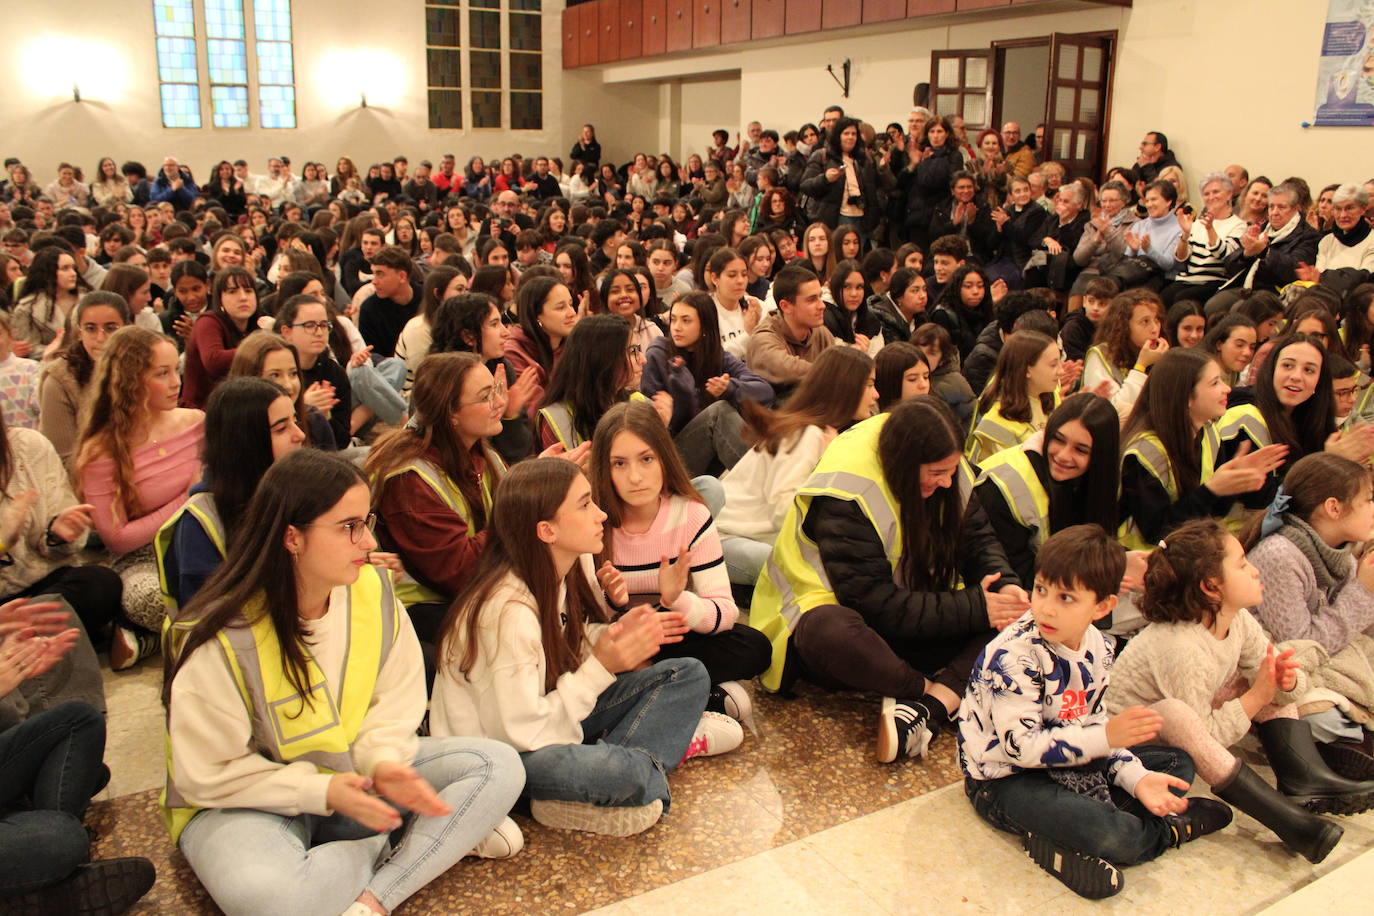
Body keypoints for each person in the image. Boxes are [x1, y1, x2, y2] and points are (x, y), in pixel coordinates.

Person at [162, 449, 525, 916]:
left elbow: (396, 702)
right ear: (292, 537)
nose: (369, 540)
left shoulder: (370, 590)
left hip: (352, 772)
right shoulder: (216, 634)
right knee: (272, 902)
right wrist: (324, 793)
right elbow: (207, 773)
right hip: (244, 799)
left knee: (496, 765)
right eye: (349, 526)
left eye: (366, 520)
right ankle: (395, 842)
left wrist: (385, 762)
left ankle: (376, 897)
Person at [429, 458, 725, 837]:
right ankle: (641, 767)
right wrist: (602, 665)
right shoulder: (506, 611)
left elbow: (559, 651)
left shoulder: (558, 573)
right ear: (547, 530)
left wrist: (612, 635)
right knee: (624, 773)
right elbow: (522, 732)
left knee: (688, 673)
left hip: (550, 718)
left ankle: (609, 781)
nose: (601, 514)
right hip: (506, 753)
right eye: (585, 504)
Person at [960, 524, 1231, 900]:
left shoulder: (1098, 649)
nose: (1045, 607)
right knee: (1111, 833)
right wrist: (1106, 740)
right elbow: (1021, 749)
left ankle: (1059, 840)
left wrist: (1137, 778)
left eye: (1066, 597)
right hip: (1006, 780)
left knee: (1175, 765)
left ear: (1102, 606)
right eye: (1040, 589)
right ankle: (1165, 831)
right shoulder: (1014, 655)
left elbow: (1095, 726)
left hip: (1072, 764)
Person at [750, 397, 1028, 763]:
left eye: (951, 471)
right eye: (936, 474)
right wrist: (977, 607)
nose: (948, 483)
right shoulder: (848, 489)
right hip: (847, 623)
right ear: (904, 464)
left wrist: (1005, 587)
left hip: (913, 610)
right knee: (829, 631)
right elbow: (872, 602)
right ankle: (928, 690)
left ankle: (930, 708)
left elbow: (977, 538)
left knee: (1017, 616)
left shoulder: (942, 457)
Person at [1109, 518, 1358, 864]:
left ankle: (1304, 779)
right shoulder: (1178, 645)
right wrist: (1258, 694)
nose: (1254, 570)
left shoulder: (1237, 619)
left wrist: (1285, 683)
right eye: (1242, 564)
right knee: (1177, 711)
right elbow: (1202, 736)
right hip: (1132, 755)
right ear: (1212, 587)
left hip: (1183, 734)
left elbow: (1275, 681)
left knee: (1261, 673)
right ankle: (1290, 823)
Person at [590, 401, 770, 719]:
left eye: (646, 459)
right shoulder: (594, 519)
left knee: (753, 646)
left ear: (663, 457)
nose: (635, 476)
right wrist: (614, 603)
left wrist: (678, 601)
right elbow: (578, 624)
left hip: (671, 638)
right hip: (615, 642)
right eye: (619, 463)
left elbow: (725, 611)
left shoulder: (690, 514)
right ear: (605, 469)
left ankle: (651, 687)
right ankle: (686, 691)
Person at [365, 352, 517, 658]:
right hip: (420, 613)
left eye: (498, 389)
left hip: (476, 594)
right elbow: (460, 572)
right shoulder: (409, 479)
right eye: (486, 396)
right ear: (451, 414)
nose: (500, 402)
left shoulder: (483, 454)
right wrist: (521, 505)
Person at [75, 327, 203, 669]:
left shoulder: (195, 423)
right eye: (162, 374)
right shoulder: (100, 451)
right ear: (130, 382)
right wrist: (188, 496)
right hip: (141, 558)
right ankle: (152, 631)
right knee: (155, 599)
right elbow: (117, 539)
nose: (176, 381)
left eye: (175, 369)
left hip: (201, 537)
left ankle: (146, 639)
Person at [1246, 453, 1374, 775]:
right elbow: (1301, 644)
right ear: (1333, 507)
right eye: (1369, 500)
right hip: (1277, 673)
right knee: (1321, 715)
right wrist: (1363, 591)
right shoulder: (1279, 555)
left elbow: (1355, 632)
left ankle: (1352, 741)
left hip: (1324, 661)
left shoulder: (1339, 554)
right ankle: (1344, 747)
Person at [717, 346, 878, 585]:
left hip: (758, 538)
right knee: (816, 575)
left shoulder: (823, 432)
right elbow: (783, 511)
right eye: (868, 385)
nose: (875, 394)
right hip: (728, 538)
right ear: (845, 387)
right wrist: (829, 465)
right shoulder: (807, 434)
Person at [155, 377, 306, 611]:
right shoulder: (200, 524)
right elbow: (205, 619)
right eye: (281, 428)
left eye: (295, 421)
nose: (300, 435)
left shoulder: (298, 490)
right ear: (245, 442)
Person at [1119, 349, 1287, 551]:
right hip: (1137, 562)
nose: (1227, 389)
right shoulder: (1145, 451)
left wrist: (1234, 483)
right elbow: (1157, 531)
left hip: (1185, 552)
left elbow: (1213, 512)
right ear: (1187, 397)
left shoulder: (1208, 432)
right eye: (1215, 383)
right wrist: (1213, 489)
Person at [975, 392, 1119, 588]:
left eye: (1081, 450)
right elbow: (1016, 577)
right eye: (1058, 440)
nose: (1063, 455)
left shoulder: (1085, 482)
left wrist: (1120, 562)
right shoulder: (1006, 486)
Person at [640, 292, 773, 477]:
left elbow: (765, 391)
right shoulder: (659, 354)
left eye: (686, 321)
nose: (677, 327)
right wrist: (684, 394)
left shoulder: (716, 356)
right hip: (667, 459)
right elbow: (654, 431)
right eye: (674, 319)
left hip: (709, 455)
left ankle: (771, 479)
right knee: (719, 413)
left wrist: (729, 388)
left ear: (704, 325)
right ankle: (763, 483)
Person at [965, 331, 1061, 464]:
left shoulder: (1051, 395)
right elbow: (1010, 476)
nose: (1061, 371)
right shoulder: (995, 423)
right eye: (1053, 365)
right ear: (1027, 370)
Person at [745, 265, 837, 398]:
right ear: (786, 306)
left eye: (820, 297)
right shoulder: (763, 339)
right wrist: (833, 372)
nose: (822, 305)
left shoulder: (821, 333)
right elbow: (787, 369)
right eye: (812, 300)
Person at [1161, 172, 1249, 306]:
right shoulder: (1197, 224)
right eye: (1206, 194)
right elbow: (1181, 257)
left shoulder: (1238, 225)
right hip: (1190, 279)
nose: (1211, 197)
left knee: (1183, 299)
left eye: (1216, 192)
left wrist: (1210, 229)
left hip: (1216, 281)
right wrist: (1185, 234)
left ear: (1229, 194)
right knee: (1163, 297)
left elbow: (1225, 256)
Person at [277, 294, 353, 449]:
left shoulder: (334, 373)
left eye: (324, 325)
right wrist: (302, 409)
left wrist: (324, 418)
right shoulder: (275, 371)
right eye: (309, 325)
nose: (319, 332)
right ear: (287, 332)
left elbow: (343, 440)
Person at [181, 266, 262, 410]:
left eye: (248, 291)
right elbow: (214, 361)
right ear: (219, 299)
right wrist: (258, 348)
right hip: (201, 412)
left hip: (240, 406)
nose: (243, 297)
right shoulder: (208, 322)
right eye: (232, 291)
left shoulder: (258, 324)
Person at [1083, 289, 1169, 417]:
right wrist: (1141, 366)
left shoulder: (1161, 355)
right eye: (1145, 321)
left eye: (1157, 320)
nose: (1155, 329)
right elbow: (1114, 412)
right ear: (1123, 326)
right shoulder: (1101, 355)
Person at [505, 275, 577, 419]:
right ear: (536, 316)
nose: (572, 313)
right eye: (561, 307)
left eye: (571, 304)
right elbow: (538, 414)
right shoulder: (514, 351)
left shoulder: (573, 345)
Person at [12, 246, 88, 349]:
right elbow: (29, 348)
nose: (73, 273)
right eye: (65, 268)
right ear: (48, 272)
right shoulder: (27, 308)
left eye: (73, 268)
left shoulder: (87, 301)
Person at [930, 264, 994, 361]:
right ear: (957, 288)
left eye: (980, 286)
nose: (976, 291)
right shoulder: (943, 314)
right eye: (968, 286)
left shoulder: (986, 311)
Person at [873, 341, 931, 412]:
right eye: (912, 379)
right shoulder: (872, 420)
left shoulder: (935, 416)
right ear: (889, 382)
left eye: (926, 377)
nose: (923, 385)